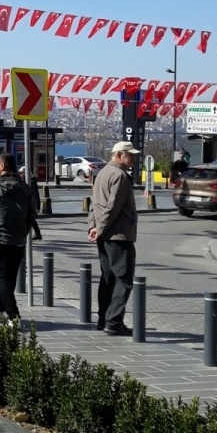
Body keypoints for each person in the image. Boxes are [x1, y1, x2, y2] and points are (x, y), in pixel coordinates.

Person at [0, 153, 39, 325]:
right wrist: (24, 231)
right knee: (9, 278)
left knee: (4, 279)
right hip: (18, 240)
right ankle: (0, 305)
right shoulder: (26, 188)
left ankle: (13, 315)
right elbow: (32, 214)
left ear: (3, 166)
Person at [88, 140, 139, 337]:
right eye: (130, 155)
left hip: (105, 234)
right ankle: (114, 321)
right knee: (124, 279)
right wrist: (99, 228)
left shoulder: (102, 173)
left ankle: (103, 319)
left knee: (108, 278)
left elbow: (94, 204)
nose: (133, 159)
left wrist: (93, 226)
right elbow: (113, 207)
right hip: (118, 235)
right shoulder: (119, 176)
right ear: (119, 155)